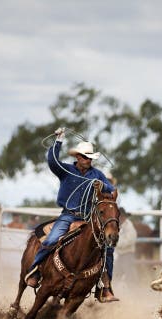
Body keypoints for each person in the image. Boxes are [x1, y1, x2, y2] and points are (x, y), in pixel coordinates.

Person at [23, 127, 119, 303]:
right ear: (77, 157)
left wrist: (105, 188)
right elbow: (52, 161)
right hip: (68, 215)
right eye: (85, 157)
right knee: (52, 240)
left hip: (88, 219)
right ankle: (36, 271)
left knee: (107, 248)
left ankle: (105, 286)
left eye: (90, 158)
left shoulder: (97, 175)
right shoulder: (66, 170)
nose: (87, 160)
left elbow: (111, 189)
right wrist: (58, 140)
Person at [114, 208, 139, 286]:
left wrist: (116, 243)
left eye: (122, 216)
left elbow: (130, 240)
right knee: (115, 272)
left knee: (129, 272)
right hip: (118, 253)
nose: (120, 218)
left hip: (127, 253)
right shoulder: (117, 225)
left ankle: (133, 288)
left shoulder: (129, 226)